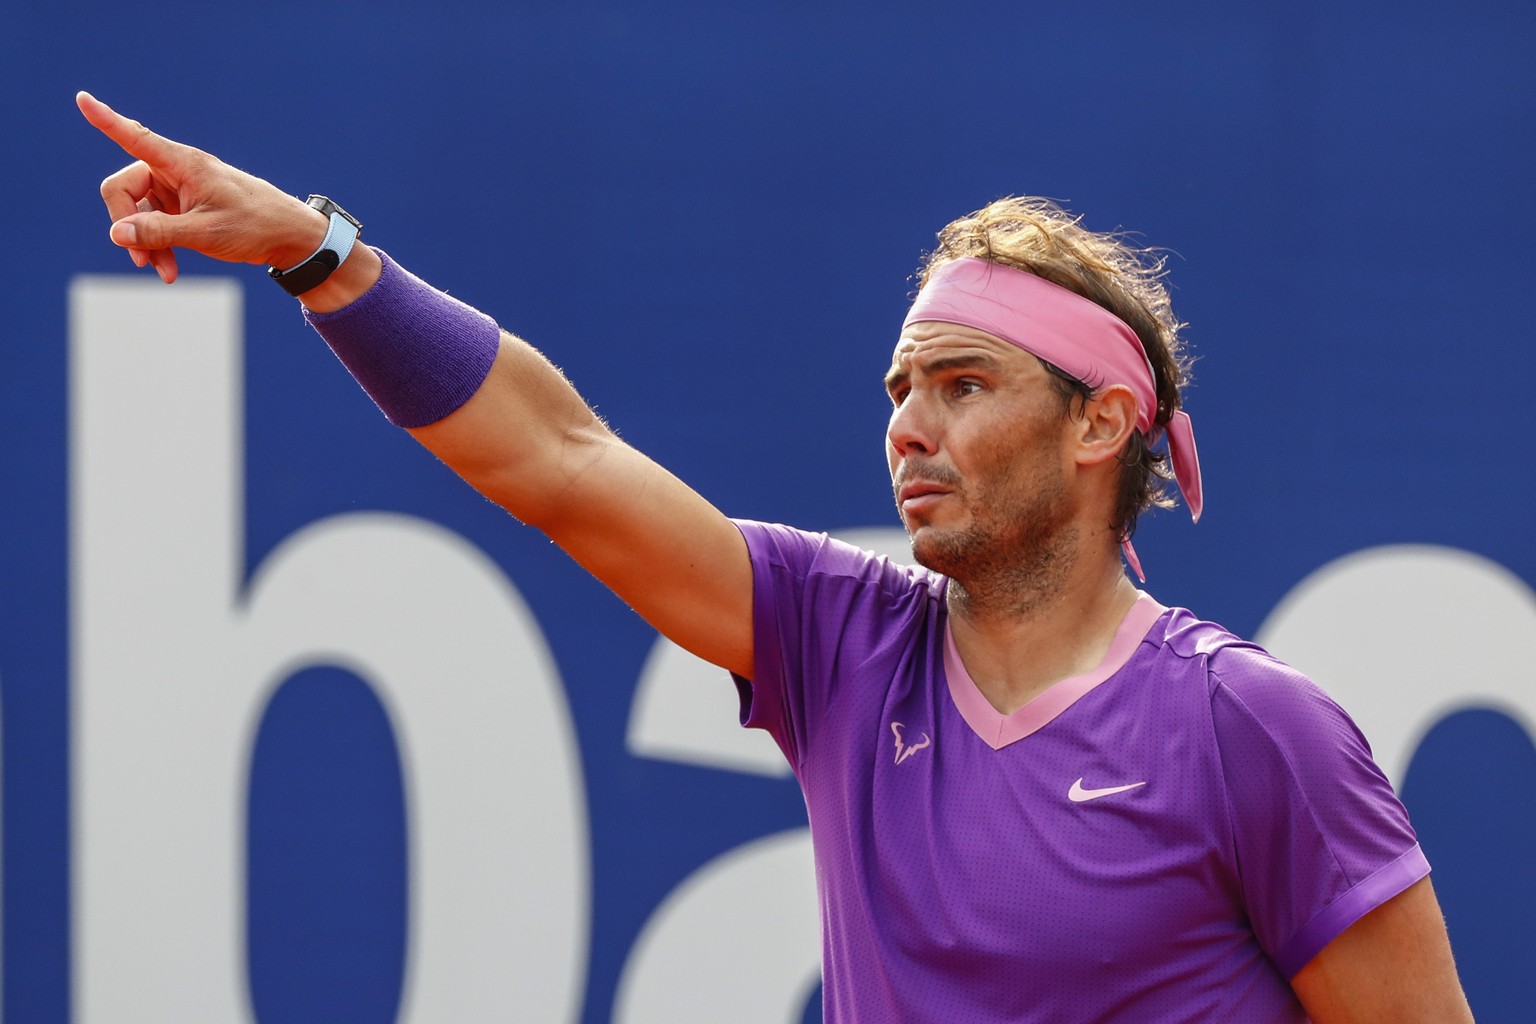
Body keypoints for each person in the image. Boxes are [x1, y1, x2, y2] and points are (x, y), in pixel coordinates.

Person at [78, 90, 1475, 1023]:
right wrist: (316, 253)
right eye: (897, 393)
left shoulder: (1253, 731)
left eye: (964, 385)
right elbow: (557, 459)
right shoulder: (838, 641)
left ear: (1101, 421)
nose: (910, 429)